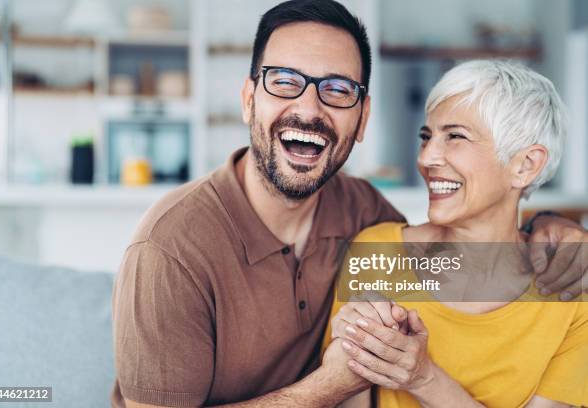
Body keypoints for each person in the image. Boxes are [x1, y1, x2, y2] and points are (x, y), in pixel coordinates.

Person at [111, 1, 586, 407]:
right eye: (283, 81)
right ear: (248, 100)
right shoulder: (169, 248)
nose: (310, 108)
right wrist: (332, 383)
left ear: (362, 119)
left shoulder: (364, 215)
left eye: (337, 89)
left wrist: (553, 225)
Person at [325, 60, 587, 408]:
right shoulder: (377, 252)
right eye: (426, 136)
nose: (427, 157)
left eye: (456, 136)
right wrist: (349, 356)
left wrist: (424, 378)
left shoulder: (572, 294)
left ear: (525, 165)